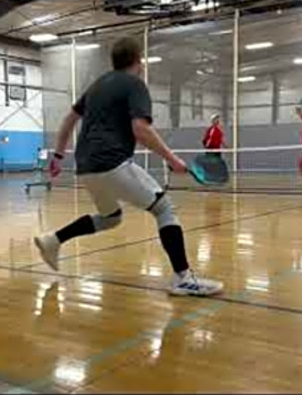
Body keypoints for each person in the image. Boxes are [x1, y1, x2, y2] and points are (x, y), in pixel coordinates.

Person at [34, 37, 223, 296]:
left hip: (86, 166)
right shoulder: (135, 85)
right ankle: (183, 278)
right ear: (139, 61)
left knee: (111, 218)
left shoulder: (97, 86)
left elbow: (69, 119)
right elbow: (141, 129)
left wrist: (57, 156)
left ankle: (53, 240)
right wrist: (172, 160)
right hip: (112, 161)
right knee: (165, 209)